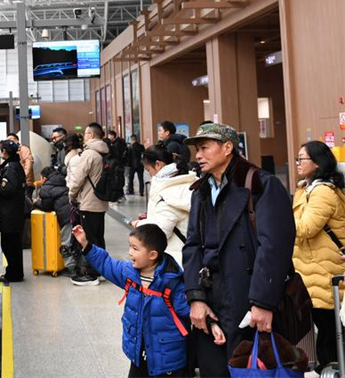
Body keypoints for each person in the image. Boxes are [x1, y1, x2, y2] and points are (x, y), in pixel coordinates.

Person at [182, 123, 294, 377]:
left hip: (248, 297)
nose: (197, 155)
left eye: (204, 148)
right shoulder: (200, 190)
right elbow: (191, 246)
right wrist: (196, 297)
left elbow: (274, 247)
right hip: (210, 298)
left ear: (228, 147)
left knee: (250, 369)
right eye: (196, 149)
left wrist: (263, 303)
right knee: (214, 369)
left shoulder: (260, 184)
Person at [72, 223, 197, 377]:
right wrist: (85, 244)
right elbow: (106, 264)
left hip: (167, 359)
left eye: (135, 248)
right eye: (130, 246)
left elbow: (192, 311)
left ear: (152, 255)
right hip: (139, 353)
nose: (130, 252)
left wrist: (211, 322)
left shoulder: (172, 282)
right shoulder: (129, 273)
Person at [292, 140, 345, 373]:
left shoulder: (323, 191)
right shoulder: (306, 188)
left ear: (317, 162)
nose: (297, 164)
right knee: (327, 330)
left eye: (301, 159)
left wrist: (276, 222)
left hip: (324, 269)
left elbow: (305, 228)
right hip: (312, 268)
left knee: (330, 331)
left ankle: (333, 370)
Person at [131, 144, 194, 267]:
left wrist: (139, 225)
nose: (150, 175)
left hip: (176, 260)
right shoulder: (185, 181)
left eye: (148, 170)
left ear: (158, 164)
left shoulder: (169, 194)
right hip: (188, 254)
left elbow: (158, 233)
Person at [67, 123, 110, 286]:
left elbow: (77, 179)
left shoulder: (89, 154)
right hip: (100, 202)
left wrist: (72, 194)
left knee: (90, 239)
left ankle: (91, 274)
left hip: (89, 202)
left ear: (91, 135)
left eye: (85, 134)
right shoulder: (103, 152)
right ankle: (101, 270)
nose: (84, 136)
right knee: (98, 237)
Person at [0, 139, 26, 284]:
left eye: (2, 149)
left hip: (9, 214)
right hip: (14, 212)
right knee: (14, 245)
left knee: (9, 245)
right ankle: (16, 272)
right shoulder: (16, 165)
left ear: (5, 152)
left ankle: (13, 274)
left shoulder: (10, 168)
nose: (0, 152)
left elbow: (8, 189)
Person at [33, 166, 74, 272]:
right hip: (73, 212)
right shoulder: (61, 181)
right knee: (75, 241)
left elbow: (46, 206)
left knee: (66, 243)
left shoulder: (46, 187)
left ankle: (71, 268)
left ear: (44, 178)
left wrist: (36, 203)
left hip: (65, 216)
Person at [7, 133, 35, 198]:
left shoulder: (24, 149)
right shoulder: (13, 151)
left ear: (17, 141)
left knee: (26, 203)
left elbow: (29, 164)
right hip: (18, 182)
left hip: (26, 182)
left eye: (10, 140)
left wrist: (23, 177)